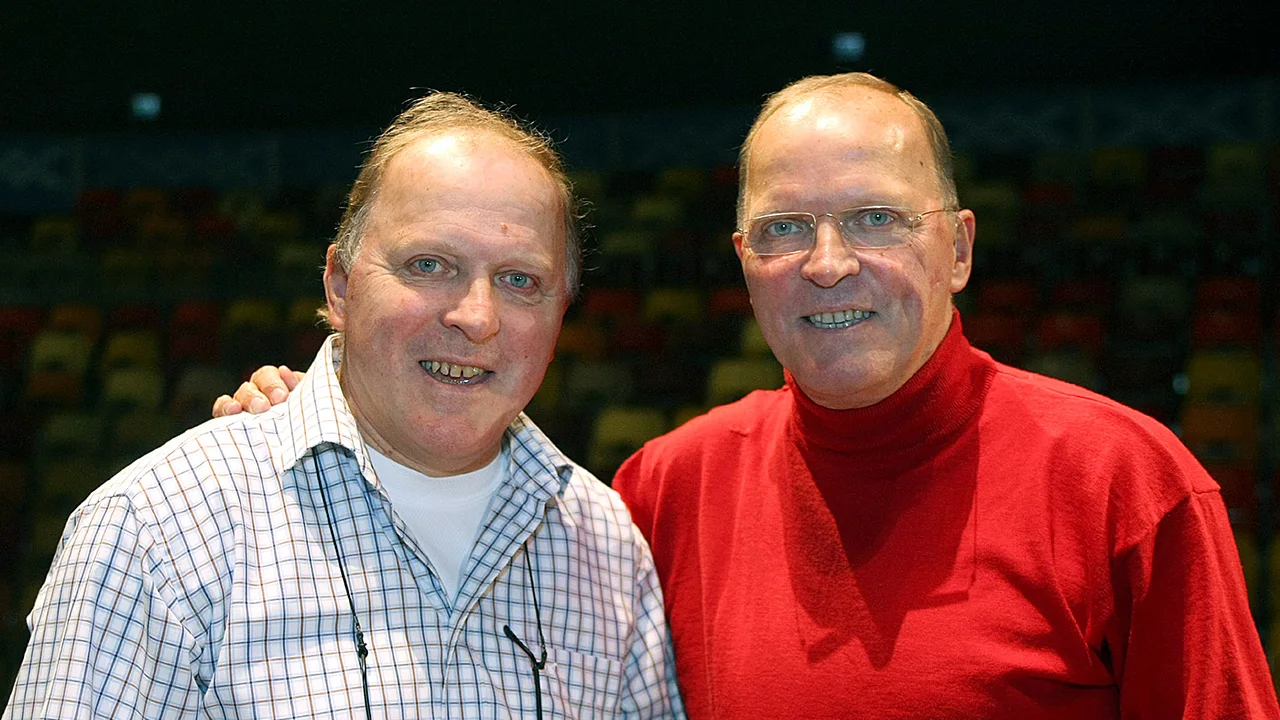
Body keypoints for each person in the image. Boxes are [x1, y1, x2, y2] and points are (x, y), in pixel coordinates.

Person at [216, 73, 1280, 718]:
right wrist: (312, 421)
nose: (828, 262)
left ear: (957, 247)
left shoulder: (1124, 484)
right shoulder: (662, 490)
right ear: (742, 260)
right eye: (783, 229)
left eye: (875, 219)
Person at [6, 93, 683, 719]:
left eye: (519, 279)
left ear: (561, 315)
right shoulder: (162, 528)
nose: (477, 317)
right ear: (339, 287)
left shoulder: (608, 548)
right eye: (429, 265)